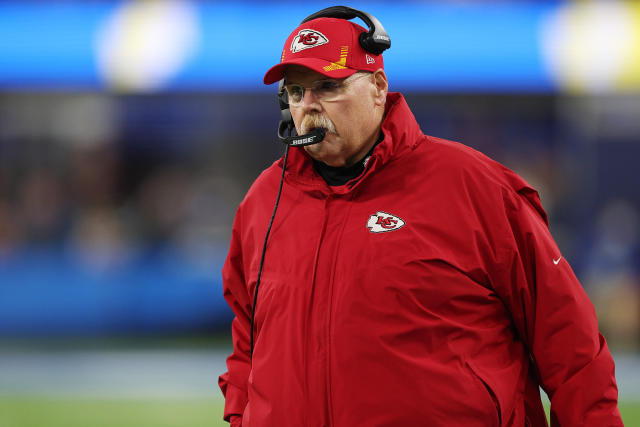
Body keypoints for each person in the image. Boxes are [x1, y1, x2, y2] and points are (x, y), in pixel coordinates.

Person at [218, 7, 623, 426]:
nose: (309, 105)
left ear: (378, 86)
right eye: (296, 92)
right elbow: (248, 342)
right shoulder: (265, 201)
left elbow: (569, 341)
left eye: (328, 86)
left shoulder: (474, 187)